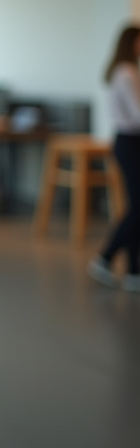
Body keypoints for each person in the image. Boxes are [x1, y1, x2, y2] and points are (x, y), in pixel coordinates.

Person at [88, 24, 140, 291]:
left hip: (127, 141)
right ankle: (105, 258)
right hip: (130, 142)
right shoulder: (126, 73)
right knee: (139, 208)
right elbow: (137, 114)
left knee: (136, 207)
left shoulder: (124, 71)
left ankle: (134, 272)